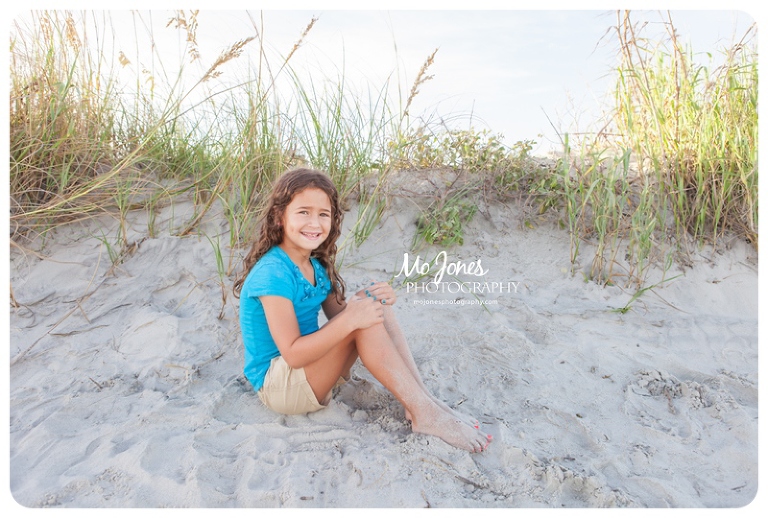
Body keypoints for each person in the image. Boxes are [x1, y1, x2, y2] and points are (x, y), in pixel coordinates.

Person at [233, 168, 492, 453]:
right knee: (362, 320)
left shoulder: (315, 266)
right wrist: (355, 318)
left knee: (372, 305)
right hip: (280, 385)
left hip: (310, 371)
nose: (314, 222)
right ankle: (424, 411)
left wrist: (371, 298)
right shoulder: (273, 273)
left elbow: (340, 315)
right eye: (303, 212)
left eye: (323, 214)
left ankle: (423, 401)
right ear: (279, 217)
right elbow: (293, 354)